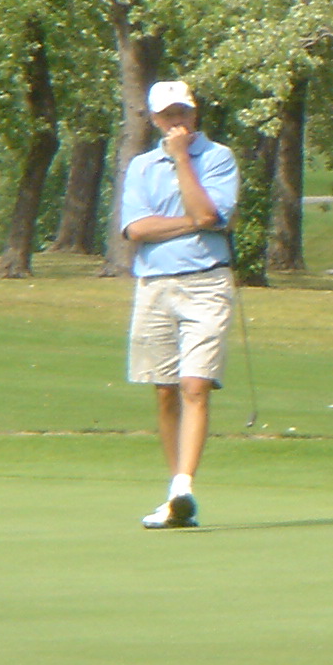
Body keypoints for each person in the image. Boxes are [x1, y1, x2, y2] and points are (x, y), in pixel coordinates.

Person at [118, 80, 241, 530]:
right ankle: (175, 497)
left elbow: (211, 216)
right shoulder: (141, 166)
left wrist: (184, 160)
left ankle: (183, 486)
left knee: (195, 385)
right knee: (165, 390)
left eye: (183, 113)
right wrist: (192, 222)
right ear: (153, 120)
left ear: (195, 114)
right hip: (153, 284)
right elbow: (135, 230)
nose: (177, 122)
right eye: (168, 116)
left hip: (206, 282)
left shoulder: (218, 157)